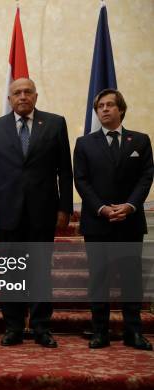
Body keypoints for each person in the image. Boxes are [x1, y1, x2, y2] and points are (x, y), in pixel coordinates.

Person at [0, 78, 73, 348]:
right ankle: (14, 326)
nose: (22, 96)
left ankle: (42, 326)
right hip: (6, 212)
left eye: (27, 92)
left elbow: (64, 171)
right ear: (9, 99)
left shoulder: (55, 123)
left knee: (40, 271)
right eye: (16, 93)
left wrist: (65, 207)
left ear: (36, 95)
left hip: (42, 212)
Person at [74, 89, 153, 350]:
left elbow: (146, 177)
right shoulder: (84, 143)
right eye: (100, 106)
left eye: (110, 105)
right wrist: (102, 209)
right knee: (99, 278)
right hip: (98, 222)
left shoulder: (140, 141)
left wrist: (130, 206)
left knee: (131, 278)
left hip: (130, 222)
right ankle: (100, 332)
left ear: (121, 109)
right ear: (96, 112)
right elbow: (81, 181)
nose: (105, 109)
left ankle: (134, 332)